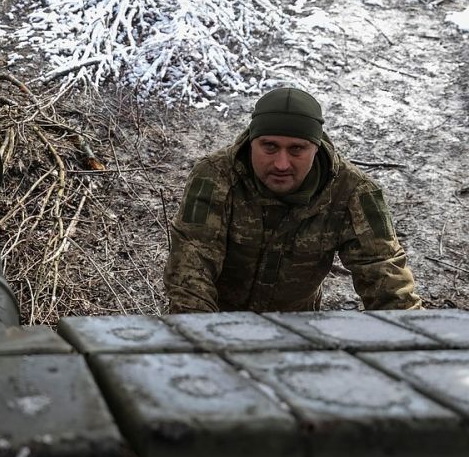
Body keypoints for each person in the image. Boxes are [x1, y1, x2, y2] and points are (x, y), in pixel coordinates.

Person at [164, 87, 422, 313]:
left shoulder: (354, 192)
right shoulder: (215, 176)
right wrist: (201, 346)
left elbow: (386, 276)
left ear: (316, 147)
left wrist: (417, 350)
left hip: (296, 330)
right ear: (252, 141)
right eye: (269, 146)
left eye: (297, 149)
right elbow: (190, 271)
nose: (281, 163)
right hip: (216, 320)